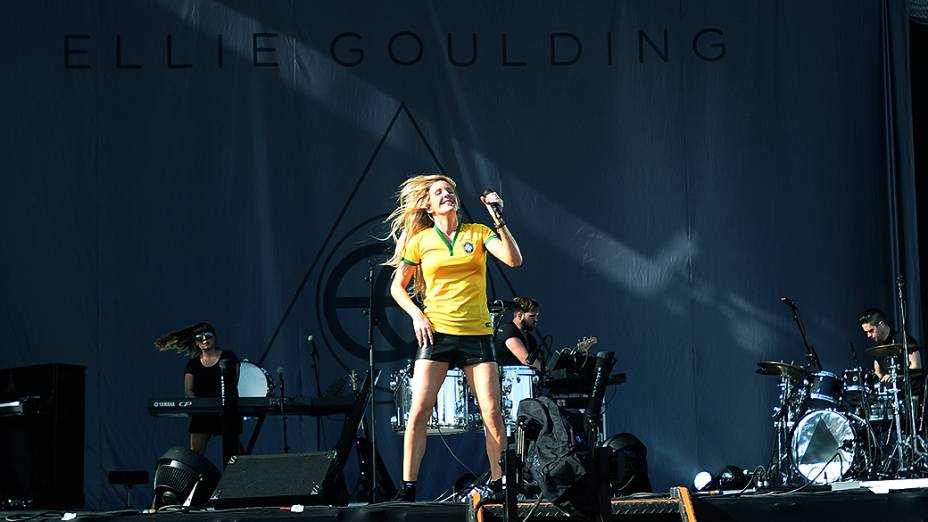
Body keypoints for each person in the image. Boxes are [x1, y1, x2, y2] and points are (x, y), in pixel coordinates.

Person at [385, 174, 522, 501]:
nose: (446, 195)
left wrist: (497, 217)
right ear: (429, 207)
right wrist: (417, 314)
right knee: (418, 411)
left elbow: (514, 260)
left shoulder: (478, 233)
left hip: (477, 333)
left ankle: (501, 486)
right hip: (437, 333)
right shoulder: (420, 241)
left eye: (449, 191)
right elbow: (396, 287)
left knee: (491, 413)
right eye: (438, 193)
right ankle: (408, 489)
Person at [155, 322, 242, 454]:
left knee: (235, 456)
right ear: (196, 343)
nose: (205, 340)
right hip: (202, 415)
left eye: (208, 336)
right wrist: (197, 405)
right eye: (200, 338)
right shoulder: (193, 364)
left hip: (227, 411)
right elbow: (188, 389)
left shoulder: (229, 357)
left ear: (215, 337)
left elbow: (233, 382)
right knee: (195, 456)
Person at [858, 308, 921, 384]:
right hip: (890, 393)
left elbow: (916, 366)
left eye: (871, 331)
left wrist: (895, 376)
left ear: (881, 324)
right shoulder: (878, 348)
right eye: (866, 332)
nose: (868, 335)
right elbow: (878, 372)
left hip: (909, 391)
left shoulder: (904, 339)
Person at [494, 296, 543, 370]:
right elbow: (525, 359)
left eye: (536, 316)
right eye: (532, 316)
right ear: (519, 316)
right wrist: (547, 372)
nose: (536, 319)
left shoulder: (531, 339)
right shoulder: (508, 330)